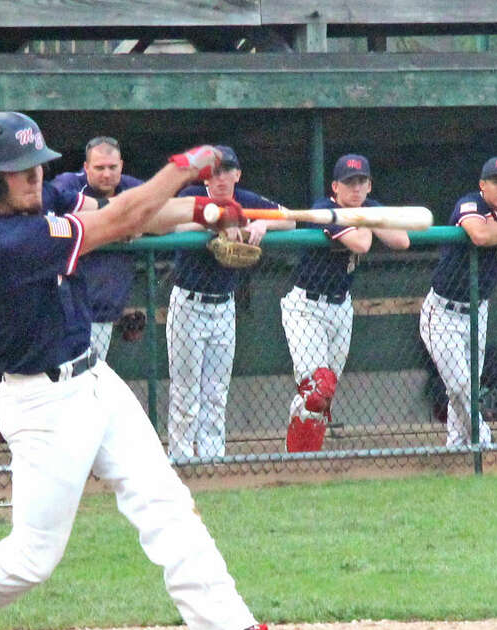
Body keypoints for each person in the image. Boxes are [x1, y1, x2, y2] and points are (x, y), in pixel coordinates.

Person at [0, 111, 301, 630]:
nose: (36, 179)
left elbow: (136, 215)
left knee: (164, 501)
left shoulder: (25, 212)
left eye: (36, 168)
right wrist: (187, 169)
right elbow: (124, 218)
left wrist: (203, 210)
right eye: (21, 172)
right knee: (30, 560)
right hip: (46, 404)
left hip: (95, 379)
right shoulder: (2, 239)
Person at [167, 145, 294, 460]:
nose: (220, 177)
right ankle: (181, 460)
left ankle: (213, 461)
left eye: (226, 170)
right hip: (189, 304)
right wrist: (215, 221)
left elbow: (289, 220)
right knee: (185, 393)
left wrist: (263, 223)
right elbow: (175, 224)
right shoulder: (194, 194)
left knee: (215, 394)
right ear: (204, 175)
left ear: (237, 174)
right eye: (214, 171)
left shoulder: (246, 200)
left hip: (224, 306)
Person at [280, 154, 411, 452]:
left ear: (369, 185)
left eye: (361, 182)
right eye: (349, 183)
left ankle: (305, 461)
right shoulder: (324, 209)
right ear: (335, 187)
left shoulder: (369, 207)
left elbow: (401, 241)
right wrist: (369, 219)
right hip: (306, 307)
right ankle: (299, 459)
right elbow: (362, 243)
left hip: (341, 308)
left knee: (324, 397)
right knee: (318, 387)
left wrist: (371, 215)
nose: (355, 188)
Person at [420, 156, 497, 448]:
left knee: (462, 385)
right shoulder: (470, 203)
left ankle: (457, 446)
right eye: (496, 182)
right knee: (461, 385)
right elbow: (481, 234)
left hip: (478, 311)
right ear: (482, 185)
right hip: (443, 310)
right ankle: (484, 444)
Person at [51, 136, 145, 360]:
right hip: (68, 312)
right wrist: (119, 225)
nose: (106, 174)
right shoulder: (68, 185)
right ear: (86, 167)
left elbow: (161, 208)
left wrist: (140, 223)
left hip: (105, 312)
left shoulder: (132, 188)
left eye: (112, 167)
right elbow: (54, 216)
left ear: (121, 165)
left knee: (93, 380)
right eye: (99, 167)